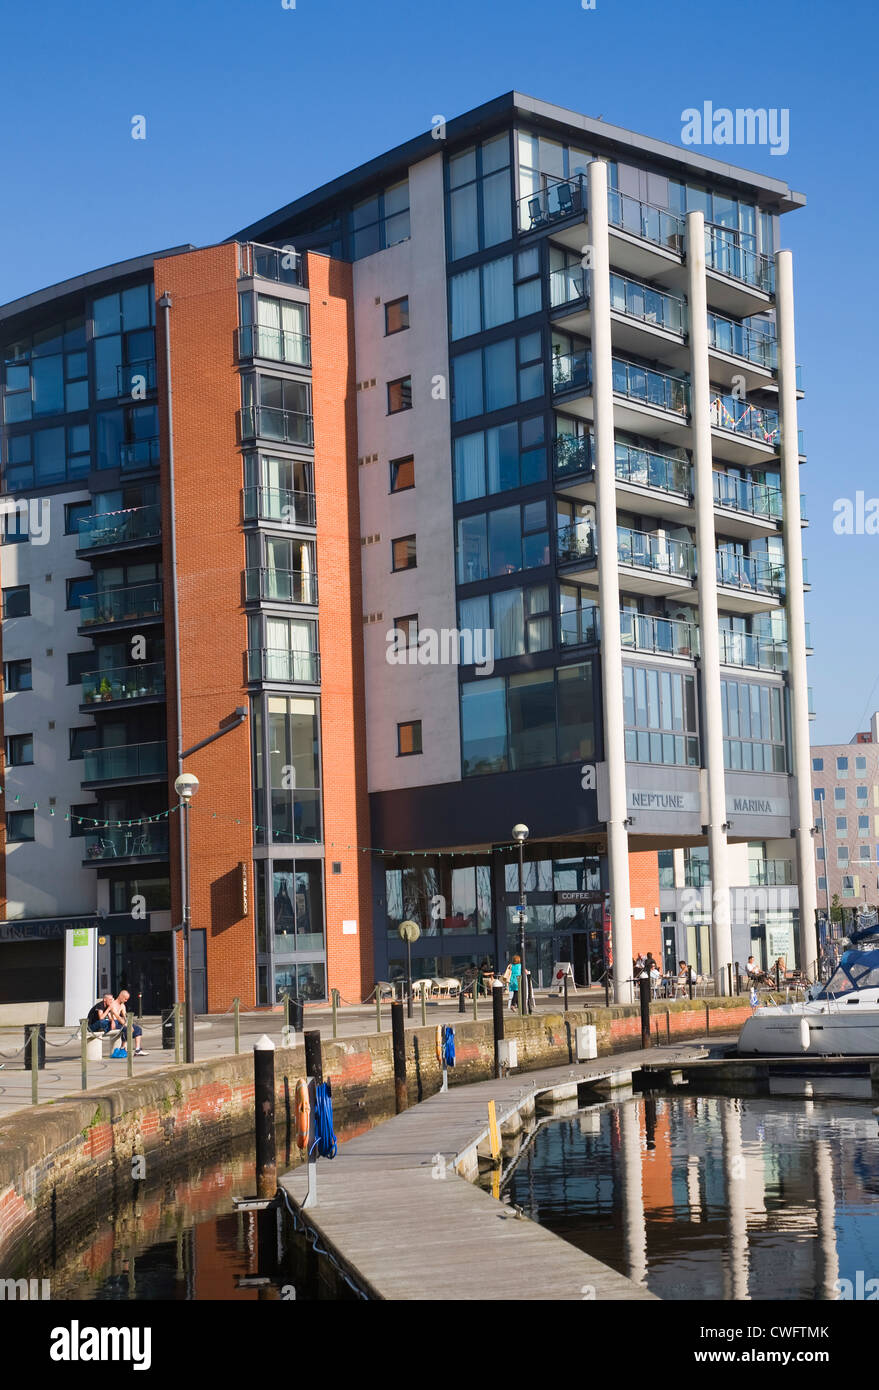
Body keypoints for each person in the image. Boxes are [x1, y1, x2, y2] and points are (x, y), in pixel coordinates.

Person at [113, 989, 148, 1055]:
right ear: (121, 996)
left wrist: (129, 1023)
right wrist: (127, 1025)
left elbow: (125, 1016)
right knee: (127, 1029)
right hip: (115, 1023)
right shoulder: (113, 1004)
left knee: (138, 1029)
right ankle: (122, 1047)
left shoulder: (122, 1005)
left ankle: (137, 1050)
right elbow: (117, 1017)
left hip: (121, 1022)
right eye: (125, 999)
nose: (126, 1001)